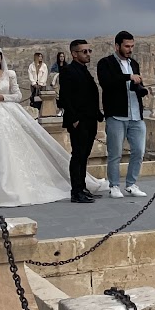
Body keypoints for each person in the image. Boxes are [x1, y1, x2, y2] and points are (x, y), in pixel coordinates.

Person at [0, 46, 106, 207]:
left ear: (1, 59)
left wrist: (2, 97)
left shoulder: (9, 74)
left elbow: (17, 95)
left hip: (6, 113)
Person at [96, 31, 148, 198]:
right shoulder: (105, 63)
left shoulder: (134, 63)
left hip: (136, 115)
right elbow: (106, 83)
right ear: (117, 46)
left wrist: (137, 83)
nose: (130, 49)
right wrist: (128, 77)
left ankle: (131, 184)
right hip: (117, 115)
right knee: (115, 153)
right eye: (127, 46)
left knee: (139, 151)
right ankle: (114, 186)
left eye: (132, 46)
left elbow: (134, 83)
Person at [57, 39, 101, 204]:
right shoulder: (68, 71)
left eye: (89, 51)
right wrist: (74, 120)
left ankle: (82, 187)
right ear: (74, 54)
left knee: (84, 156)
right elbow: (66, 97)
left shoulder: (84, 70)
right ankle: (76, 191)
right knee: (78, 155)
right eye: (84, 51)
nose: (88, 54)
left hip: (90, 119)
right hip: (79, 121)